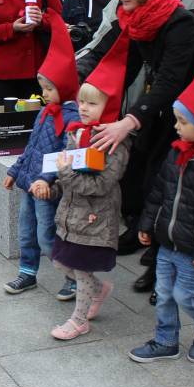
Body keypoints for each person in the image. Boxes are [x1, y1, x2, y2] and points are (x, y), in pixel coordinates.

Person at [87, 0, 194, 288]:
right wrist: (76, 86)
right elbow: (112, 60)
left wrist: (129, 121)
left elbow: (170, 80)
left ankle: (160, 268)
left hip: (186, 115)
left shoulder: (182, 23)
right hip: (156, 108)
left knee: (168, 186)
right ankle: (140, 233)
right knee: (137, 175)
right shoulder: (134, 19)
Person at [50, 41, 131, 339]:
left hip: (95, 219)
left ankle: (78, 320)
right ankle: (99, 290)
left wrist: (64, 172)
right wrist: (53, 182)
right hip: (71, 215)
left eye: (92, 103)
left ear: (108, 107)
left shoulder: (114, 144)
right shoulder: (78, 134)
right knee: (60, 261)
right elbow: (70, 175)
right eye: (81, 101)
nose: (83, 108)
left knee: (81, 269)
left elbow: (100, 185)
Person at [3, 11, 80, 299]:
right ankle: (27, 272)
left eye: (49, 88)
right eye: (43, 88)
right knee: (26, 231)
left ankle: (72, 276)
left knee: (48, 236)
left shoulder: (71, 118)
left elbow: (65, 154)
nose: (44, 93)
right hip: (30, 185)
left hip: (48, 189)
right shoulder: (46, 113)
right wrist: (15, 171)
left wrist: (47, 180)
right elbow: (33, 145)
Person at [129, 72, 194, 363]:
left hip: (190, 248)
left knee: (187, 295)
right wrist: (146, 225)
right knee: (165, 293)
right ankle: (165, 340)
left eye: (183, 122)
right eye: (176, 120)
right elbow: (158, 192)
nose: (176, 127)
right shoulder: (175, 154)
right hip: (166, 243)